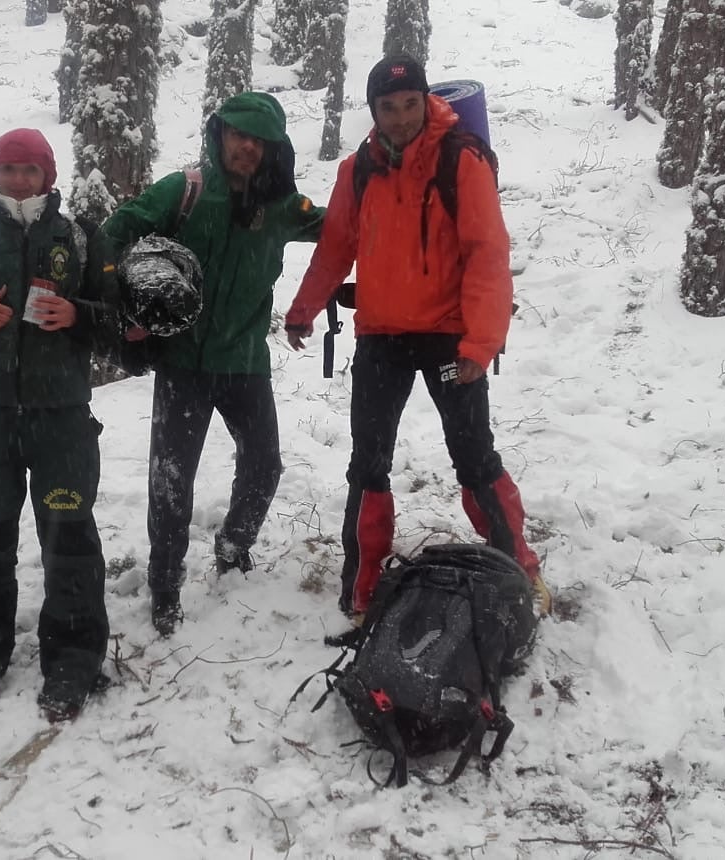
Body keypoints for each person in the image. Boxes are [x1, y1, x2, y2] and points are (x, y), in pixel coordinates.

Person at [283, 53, 550, 622]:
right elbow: (336, 246)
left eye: (410, 105)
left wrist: (480, 344)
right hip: (382, 336)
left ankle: (518, 568)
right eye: (388, 107)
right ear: (373, 110)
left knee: (474, 457)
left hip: (451, 338)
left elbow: (487, 256)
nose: (401, 117)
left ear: (425, 101)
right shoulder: (359, 167)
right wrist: (305, 308)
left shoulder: (462, 159)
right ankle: (362, 584)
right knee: (368, 463)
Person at [101, 92, 325, 637]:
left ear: (273, 147)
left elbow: (339, 228)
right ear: (219, 135)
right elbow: (113, 232)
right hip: (183, 363)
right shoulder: (186, 191)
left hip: (246, 360)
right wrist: (128, 304)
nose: (245, 146)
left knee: (264, 464)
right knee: (171, 481)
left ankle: (234, 544)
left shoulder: (281, 206)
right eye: (236, 135)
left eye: (258, 139)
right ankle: (165, 582)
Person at [0, 128, 116, 723]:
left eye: (29, 170)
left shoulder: (79, 237)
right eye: (7, 169)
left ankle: (74, 656)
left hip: (60, 415)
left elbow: (115, 318)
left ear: (49, 176)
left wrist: (77, 314)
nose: (17, 180)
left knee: (68, 536)